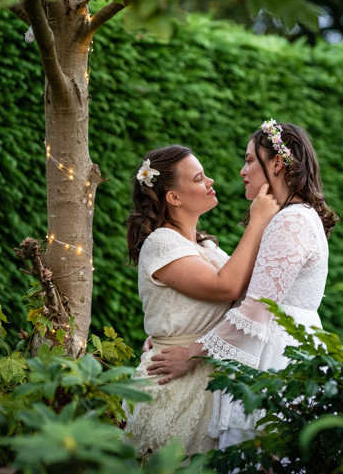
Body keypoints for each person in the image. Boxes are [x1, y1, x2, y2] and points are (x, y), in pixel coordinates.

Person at [147, 120, 339, 450]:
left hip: (277, 354)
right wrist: (166, 333)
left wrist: (190, 353)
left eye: (250, 160)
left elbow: (255, 310)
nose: (242, 170)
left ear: (277, 163)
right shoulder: (290, 217)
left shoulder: (292, 221)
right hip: (275, 345)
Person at [123, 144, 280, 456]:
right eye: (198, 178)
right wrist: (259, 219)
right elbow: (228, 288)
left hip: (209, 375)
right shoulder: (161, 243)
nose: (210, 181)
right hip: (178, 385)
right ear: (174, 198)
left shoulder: (205, 247)